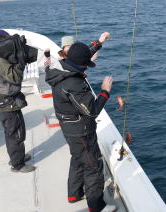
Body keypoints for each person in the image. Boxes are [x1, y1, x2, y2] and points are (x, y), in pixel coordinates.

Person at [45, 42, 115, 212]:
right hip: (81, 132)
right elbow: (91, 112)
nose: (86, 68)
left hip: (69, 128)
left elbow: (81, 57)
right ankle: (96, 206)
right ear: (80, 64)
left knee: (78, 159)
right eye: (86, 65)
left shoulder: (57, 70)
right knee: (93, 166)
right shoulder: (74, 84)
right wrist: (105, 92)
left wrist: (97, 44)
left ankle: (74, 195)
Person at [0, 29, 38, 173]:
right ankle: (17, 165)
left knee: (12, 131)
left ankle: (16, 157)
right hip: (6, 103)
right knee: (15, 133)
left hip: (3, 101)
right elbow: (15, 77)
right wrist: (20, 60)